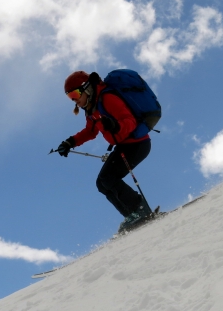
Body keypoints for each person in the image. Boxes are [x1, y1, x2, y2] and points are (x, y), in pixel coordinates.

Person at [56, 70, 156, 232]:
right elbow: (90, 132)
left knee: (109, 177)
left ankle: (140, 210)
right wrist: (70, 142)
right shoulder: (91, 109)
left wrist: (116, 126)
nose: (74, 101)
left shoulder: (107, 99)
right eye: (70, 97)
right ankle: (133, 216)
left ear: (86, 88)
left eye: (74, 94)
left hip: (137, 144)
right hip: (124, 145)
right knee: (101, 183)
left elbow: (129, 120)